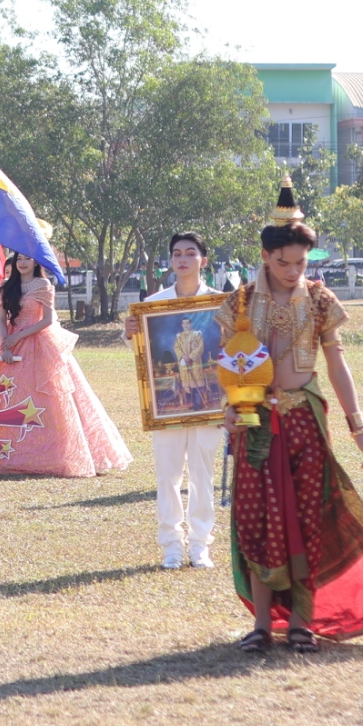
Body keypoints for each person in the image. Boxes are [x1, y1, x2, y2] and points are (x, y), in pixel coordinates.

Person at [220, 177, 363, 652]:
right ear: (265, 256)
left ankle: (301, 624)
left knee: (306, 518)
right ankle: (262, 625)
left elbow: (337, 364)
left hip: (304, 422)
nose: (294, 271)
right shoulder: (239, 302)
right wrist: (226, 410)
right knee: (257, 518)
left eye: (301, 262)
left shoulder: (319, 300)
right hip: (254, 423)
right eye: (283, 262)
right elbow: (225, 364)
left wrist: (360, 428)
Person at [0, 251, 132, 477]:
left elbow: (47, 320)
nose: (22, 263)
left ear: (35, 262)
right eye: (19, 259)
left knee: (50, 399)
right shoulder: (6, 287)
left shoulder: (43, 285)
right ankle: (7, 453)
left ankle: (54, 454)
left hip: (39, 343)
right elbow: (1, 319)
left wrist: (19, 336)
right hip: (10, 345)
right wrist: (5, 344)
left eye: (27, 259)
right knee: (8, 398)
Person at [128, 231, 227, 570]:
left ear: (203, 260)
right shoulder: (155, 304)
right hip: (166, 406)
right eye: (177, 254)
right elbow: (145, 351)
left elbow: (233, 348)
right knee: (168, 475)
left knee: (202, 473)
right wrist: (131, 333)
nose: (182, 259)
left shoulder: (220, 304)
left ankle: (200, 545)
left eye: (190, 253)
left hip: (209, 402)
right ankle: (171, 545)